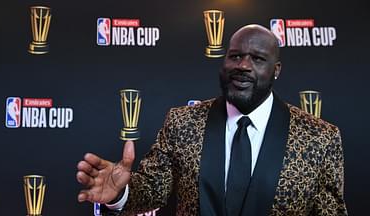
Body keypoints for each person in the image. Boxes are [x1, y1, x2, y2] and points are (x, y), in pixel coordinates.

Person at [76, 24, 348, 215]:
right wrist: (119, 195)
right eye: (235, 56)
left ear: (276, 70)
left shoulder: (319, 137)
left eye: (257, 58)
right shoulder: (183, 123)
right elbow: (153, 190)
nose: (243, 65)